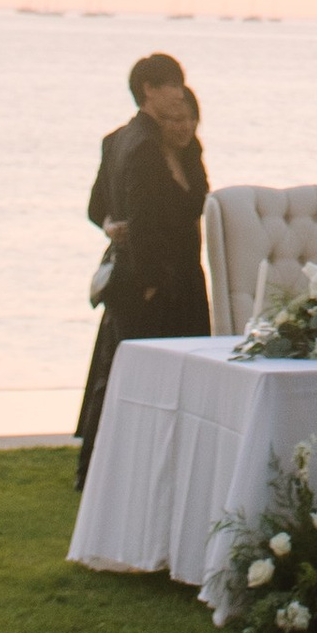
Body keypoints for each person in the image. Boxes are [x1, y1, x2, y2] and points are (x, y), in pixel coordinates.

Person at [76, 77, 207, 485]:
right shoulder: (139, 147)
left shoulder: (186, 154)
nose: (180, 124)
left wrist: (112, 225)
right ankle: (99, 467)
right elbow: (109, 209)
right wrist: (117, 231)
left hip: (182, 276)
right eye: (171, 116)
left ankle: (145, 460)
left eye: (187, 117)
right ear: (151, 97)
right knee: (125, 370)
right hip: (148, 279)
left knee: (155, 370)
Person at [88, 52, 185, 233]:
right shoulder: (149, 145)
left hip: (122, 259)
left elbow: (95, 210)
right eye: (174, 86)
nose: (180, 95)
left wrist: (110, 227)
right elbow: (145, 225)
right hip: (155, 260)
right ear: (148, 89)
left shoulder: (114, 139)